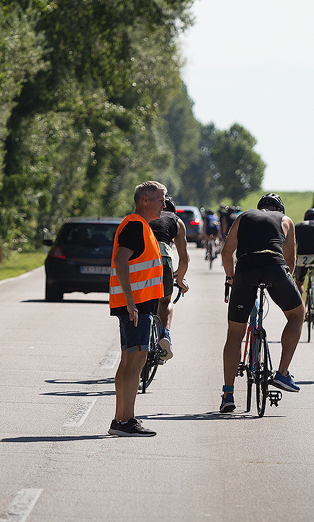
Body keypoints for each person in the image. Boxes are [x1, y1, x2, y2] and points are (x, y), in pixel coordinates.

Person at [219, 193, 305, 413]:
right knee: (296, 315)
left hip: (246, 268)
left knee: (235, 333)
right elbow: (290, 260)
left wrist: (231, 278)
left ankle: (228, 393)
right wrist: (284, 285)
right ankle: (283, 374)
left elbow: (227, 252)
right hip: (274, 267)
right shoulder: (285, 220)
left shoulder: (244, 216)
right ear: (280, 209)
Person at [108, 181, 168, 437]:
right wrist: (131, 301)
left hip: (137, 304)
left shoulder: (141, 226)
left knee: (129, 360)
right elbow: (121, 259)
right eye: (160, 200)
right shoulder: (135, 224)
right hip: (136, 305)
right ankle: (126, 421)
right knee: (136, 361)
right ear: (145, 200)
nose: (164, 205)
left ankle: (120, 420)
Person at [147, 197, 190, 361]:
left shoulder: (145, 216)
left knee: (140, 303)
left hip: (141, 261)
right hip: (164, 259)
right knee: (164, 302)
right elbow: (185, 259)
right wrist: (180, 279)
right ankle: (165, 335)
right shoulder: (176, 221)